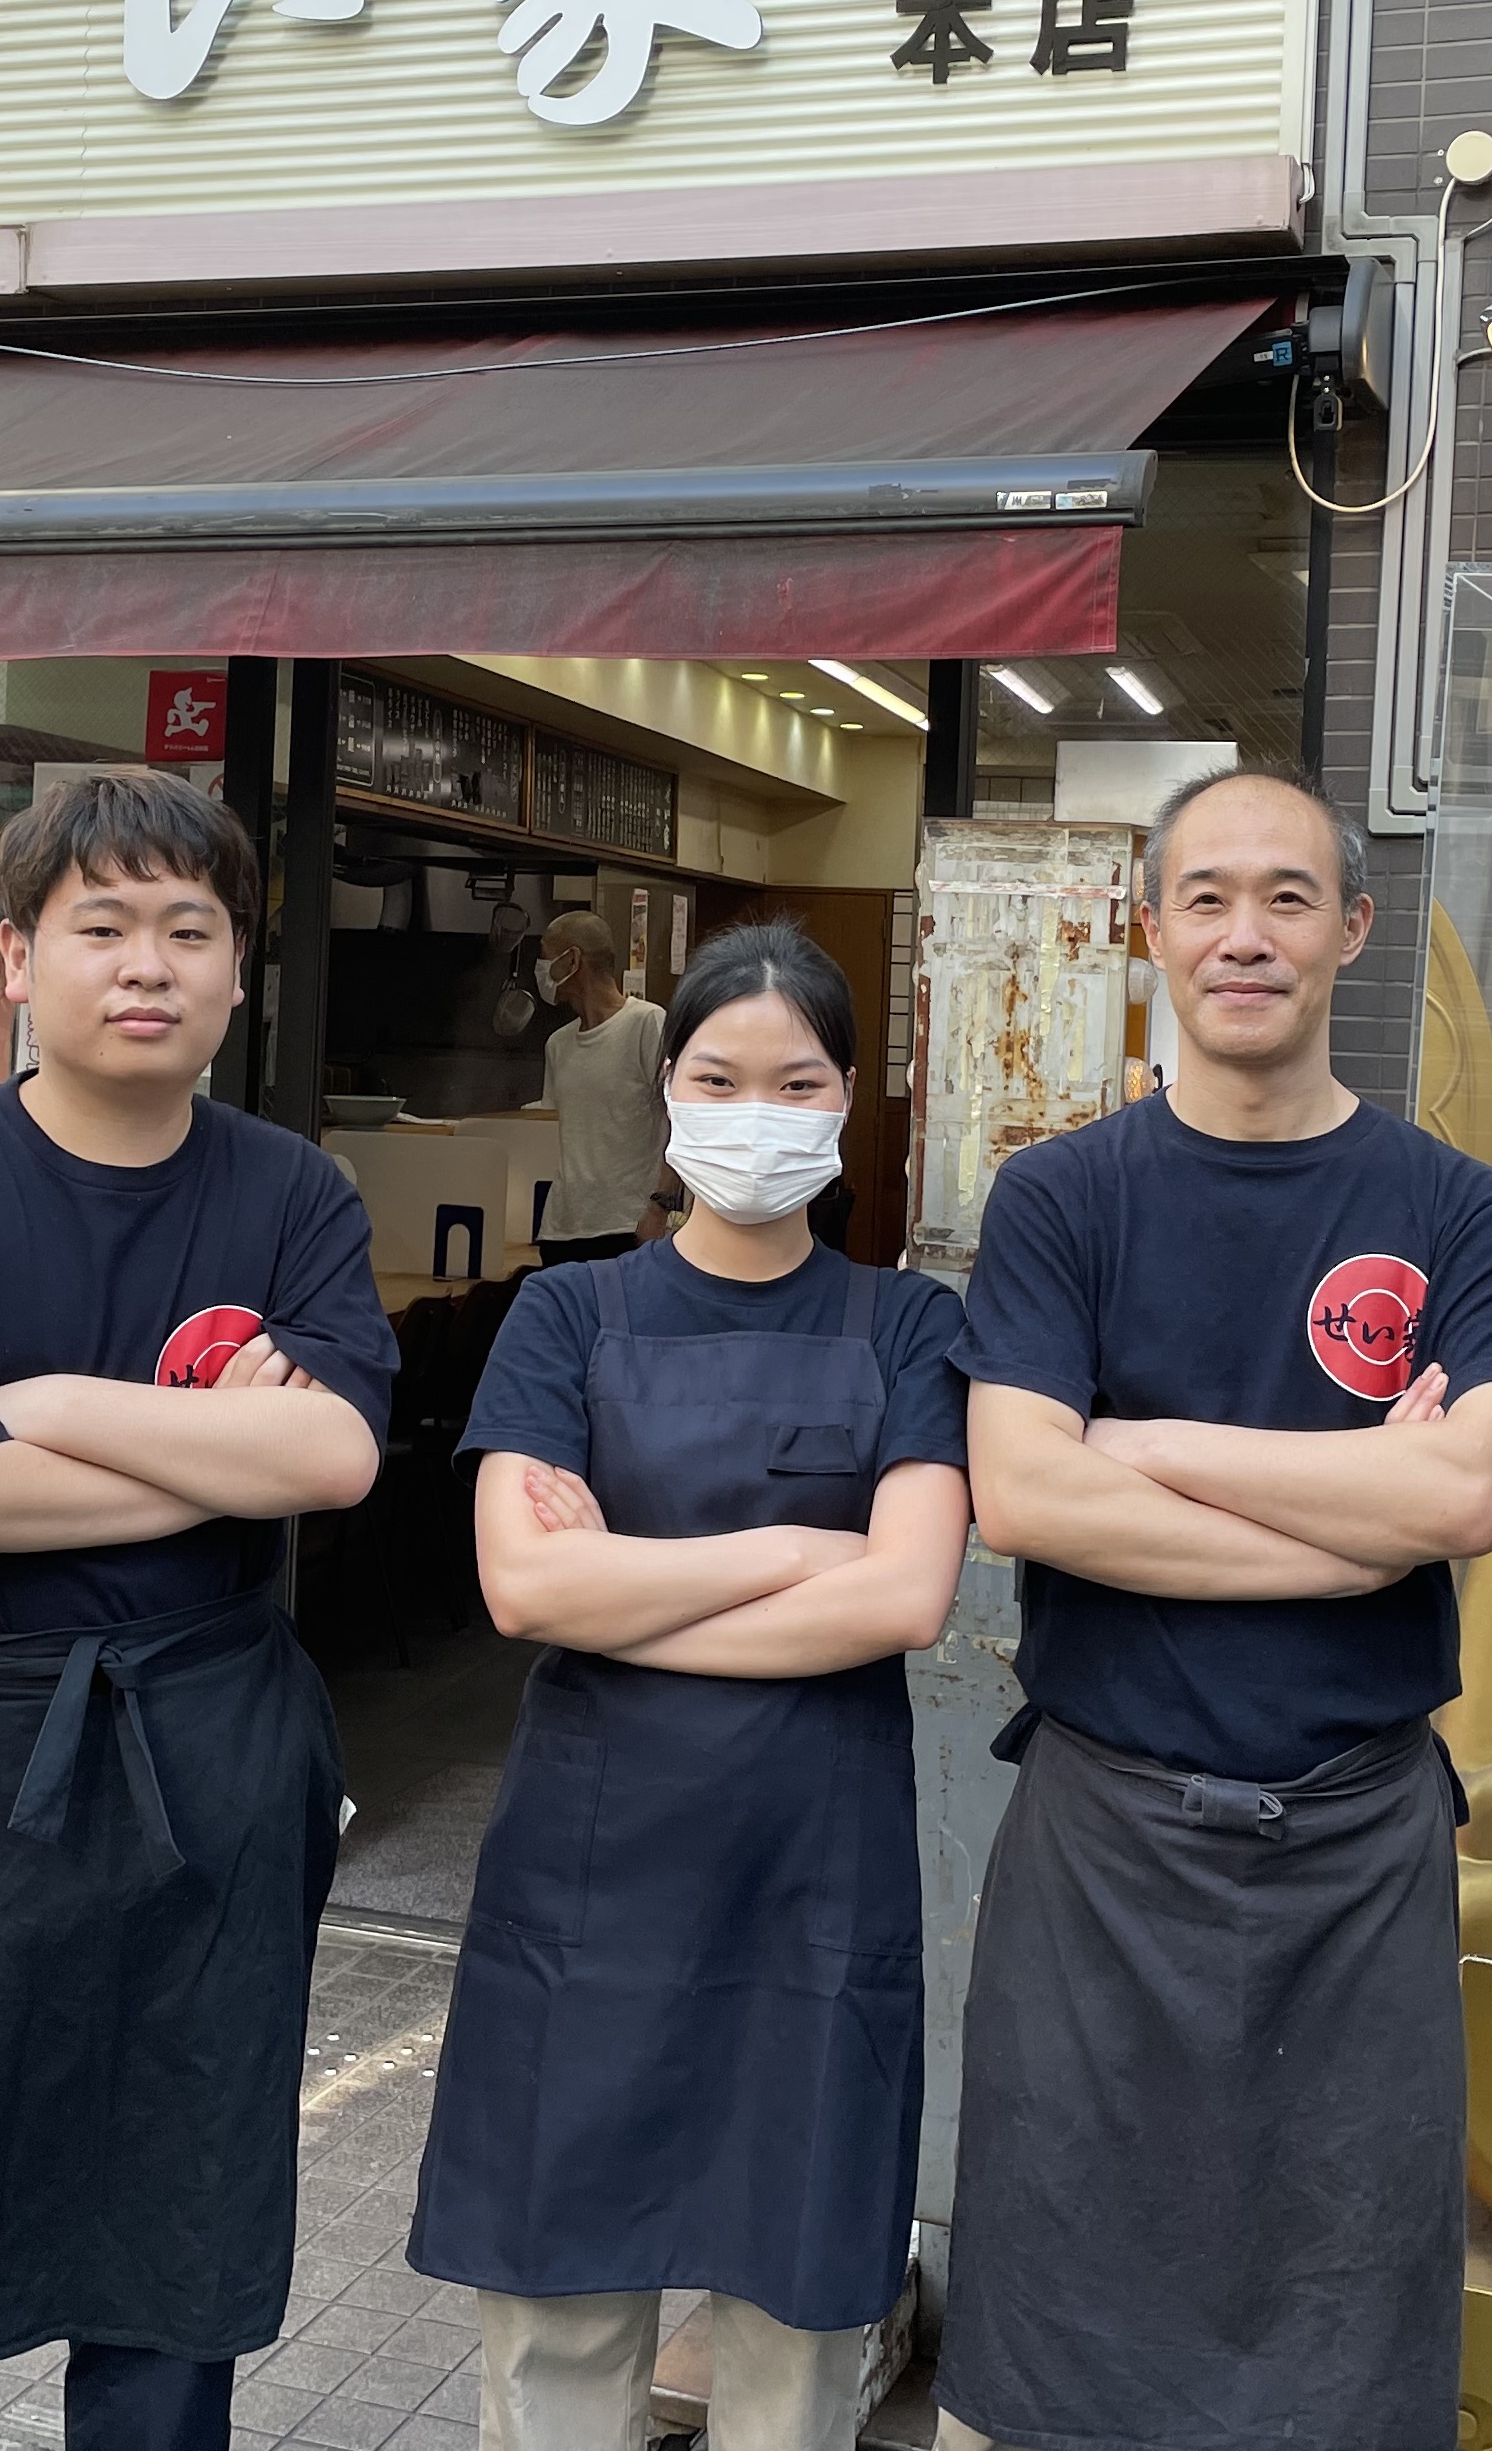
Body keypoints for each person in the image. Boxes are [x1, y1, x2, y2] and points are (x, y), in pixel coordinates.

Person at [0, 771, 400, 2451]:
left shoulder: (292, 1195)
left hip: (207, 1766)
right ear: (15, 957)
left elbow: (334, 1454)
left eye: (190, 928)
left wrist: (38, 1396)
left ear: (239, 970)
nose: (150, 962)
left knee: (170, 2235)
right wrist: (220, 1456)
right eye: (102, 923)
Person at [939, 768, 1492, 2451]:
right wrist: (1355, 1527)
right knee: (1062, 2315)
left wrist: (1156, 1443)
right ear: (1148, 932)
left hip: (1357, 1842)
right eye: (1203, 894)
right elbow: (1025, 1499)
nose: (1243, 931)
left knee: (1343, 2328)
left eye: (1288, 894)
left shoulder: (1461, 1210)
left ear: (1354, 926)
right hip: (1106, 1828)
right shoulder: (1062, 1198)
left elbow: (1463, 1498)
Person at [410, 919, 973, 2451]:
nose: (755, 1111)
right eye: (721, 1077)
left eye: (794, 1083)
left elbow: (911, 1597)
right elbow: (526, 1586)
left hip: (814, 1879)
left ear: (846, 1099)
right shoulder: (567, 1316)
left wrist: (627, 1596)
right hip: (596, 1878)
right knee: (559, 2299)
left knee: (796, 2316)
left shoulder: (911, 1324)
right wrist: (805, 1553)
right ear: (669, 1090)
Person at [531, 908, 673, 1265]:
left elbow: (683, 1124)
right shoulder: (558, 1045)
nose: (542, 971)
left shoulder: (647, 1024)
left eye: (547, 958)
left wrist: (660, 1207)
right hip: (561, 1230)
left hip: (628, 1227)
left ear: (572, 959)